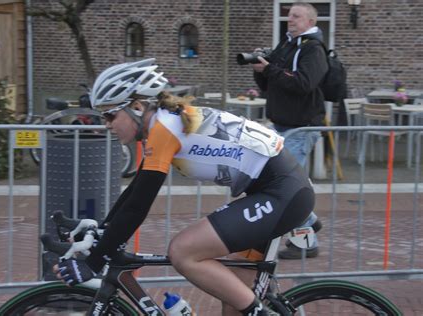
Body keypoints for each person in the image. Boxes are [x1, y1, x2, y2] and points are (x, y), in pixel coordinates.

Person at [53, 58, 315, 315]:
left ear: (136, 105)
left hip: (282, 192)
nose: (106, 124)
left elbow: (138, 207)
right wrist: (102, 228)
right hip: (275, 192)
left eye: (110, 115)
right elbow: (135, 190)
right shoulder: (163, 123)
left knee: (183, 251)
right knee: (233, 300)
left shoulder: (164, 130)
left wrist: (94, 262)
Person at [252, 2, 328, 260]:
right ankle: (310, 221)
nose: (290, 19)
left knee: (289, 186)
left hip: (301, 128)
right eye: (288, 15)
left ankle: (306, 243)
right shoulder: (286, 44)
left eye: (296, 16)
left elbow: (304, 84)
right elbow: (270, 84)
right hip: (282, 125)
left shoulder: (313, 49)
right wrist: (260, 70)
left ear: (310, 21)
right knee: (287, 182)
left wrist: (271, 69)